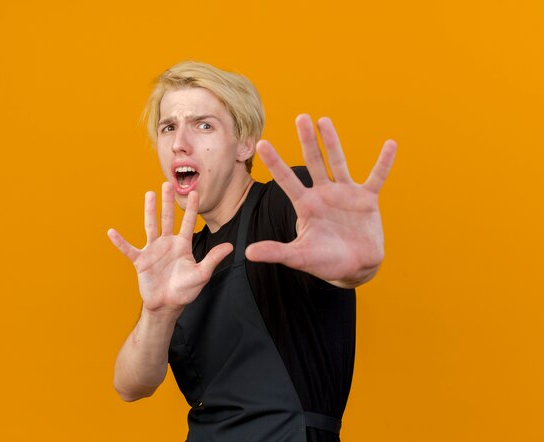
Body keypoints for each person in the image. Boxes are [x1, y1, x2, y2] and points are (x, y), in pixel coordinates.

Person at [107, 61, 397, 442]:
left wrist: (356, 264)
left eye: (204, 124)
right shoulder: (180, 257)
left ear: (244, 144)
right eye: (169, 127)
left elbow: (342, 262)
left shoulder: (285, 202)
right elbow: (131, 385)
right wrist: (158, 313)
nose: (180, 142)